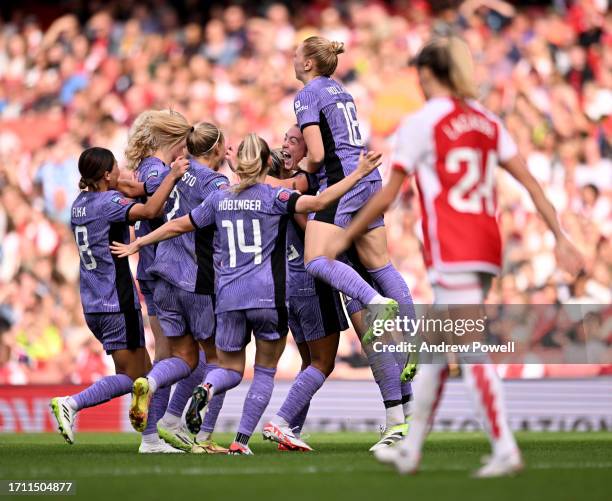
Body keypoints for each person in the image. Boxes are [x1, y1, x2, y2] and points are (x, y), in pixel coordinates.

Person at [326, 36, 584, 477]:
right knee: (435, 350)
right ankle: (410, 449)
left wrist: (344, 233)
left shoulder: (422, 123)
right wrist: (559, 236)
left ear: (428, 75)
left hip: (453, 247)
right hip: (487, 246)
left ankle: (504, 447)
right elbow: (532, 184)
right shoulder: (487, 121)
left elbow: (388, 194)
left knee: (469, 349)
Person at [110, 133, 382, 455]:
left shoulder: (220, 198)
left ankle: (208, 387)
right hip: (267, 297)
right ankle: (240, 442)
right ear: (268, 163)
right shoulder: (275, 197)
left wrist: (140, 243)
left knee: (230, 370)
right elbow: (320, 203)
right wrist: (359, 173)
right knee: (264, 370)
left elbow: (178, 225)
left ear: (238, 164)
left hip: (228, 299)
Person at [264, 125, 411, 452]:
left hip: (332, 271)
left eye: (294, 139)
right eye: (286, 138)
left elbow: (307, 220)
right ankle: (400, 416)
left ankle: (398, 420)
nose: (287, 144)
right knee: (348, 353)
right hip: (331, 273)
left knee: (362, 348)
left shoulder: (312, 180)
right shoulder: (306, 181)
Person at [49, 146, 189, 453]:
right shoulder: (107, 202)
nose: (120, 172)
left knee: (145, 373)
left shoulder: (79, 205)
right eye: (116, 168)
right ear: (106, 174)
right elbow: (151, 211)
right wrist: (175, 175)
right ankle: (72, 403)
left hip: (93, 301)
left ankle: (150, 441)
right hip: (116, 301)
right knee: (131, 377)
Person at [292, 36, 415, 343]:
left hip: (342, 181)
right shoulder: (342, 90)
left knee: (316, 259)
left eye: (296, 55)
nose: (292, 60)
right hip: (369, 177)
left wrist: (298, 169)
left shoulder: (307, 93)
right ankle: (412, 338)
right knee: (382, 265)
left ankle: (374, 302)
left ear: (308, 63)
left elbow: (319, 154)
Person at [262, 129, 349, 452]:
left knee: (308, 362)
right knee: (323, 363)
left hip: (283, 287)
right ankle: (282, 421)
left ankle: (290, 431)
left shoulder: (263, 195)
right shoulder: (298, 194)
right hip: (310, 284)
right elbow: (312, 232)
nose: (287, 145)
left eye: (292, 140)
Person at [149, 122, 231, 454]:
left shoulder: (178, 169)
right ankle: (201, 433)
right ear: (216, 149)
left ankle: (154, 393)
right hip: (197, 279)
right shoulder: (217, 183)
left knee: (183, 357)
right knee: (220, 359)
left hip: (164, 274)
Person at [120, 109, 193, 443]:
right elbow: (153, 197)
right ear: (175, 139)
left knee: (170, 354)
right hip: (160, 271)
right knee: (176, 355)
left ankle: (156, 433)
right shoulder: (155, 169)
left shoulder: (155, 168)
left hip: (155, 271)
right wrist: (172, 177)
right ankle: (154, 433)